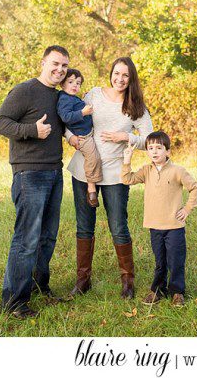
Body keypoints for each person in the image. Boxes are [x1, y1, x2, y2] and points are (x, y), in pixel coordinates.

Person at [0, 45, 70, 319]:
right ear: (43, 62)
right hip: (29, 175)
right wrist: (31, 130)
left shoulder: (59, 96)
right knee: (27, 238)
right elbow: (0, 122)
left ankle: (39, 285)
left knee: (47, 236)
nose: (59, 69)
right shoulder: (24, 90)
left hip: (55, 172)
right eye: (55, 64)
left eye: (64, 66)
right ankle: (14, 302)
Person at [66, 56, 153, 300]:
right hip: (85, 170)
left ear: (131, 78)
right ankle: (83, 280)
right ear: (111, 73)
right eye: (116, 73)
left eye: (125, 75)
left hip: (115, 173)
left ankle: (127, 281)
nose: (120, 79)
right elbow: (69, 117)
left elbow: (149, 139)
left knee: (118, 227)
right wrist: (69, 137)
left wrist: (126, 138)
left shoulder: (135, 106)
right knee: (84, 226)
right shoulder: (93, 94)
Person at [121, 129, 197, 307]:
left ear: (168, 151)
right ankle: (158, 290)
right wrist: (127, 160)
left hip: (174, 226)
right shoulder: (146, 171)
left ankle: (177, 292)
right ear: (147, 151)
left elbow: (194, 187)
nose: (154, 151)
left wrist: (187, 208)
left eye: (159, 147)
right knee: (160, 261)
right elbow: (127, 179)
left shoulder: (177, 171)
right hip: (155, 226)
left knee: (175, 260)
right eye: (150, 148)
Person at [56, 68, 102, 207]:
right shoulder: (64, 98)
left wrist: (83, 101)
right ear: (62, 84)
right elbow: (65, 117)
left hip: (88, 133)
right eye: (70, 82)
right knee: (93, 158)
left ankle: (92, 185)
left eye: (78, 83)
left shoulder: (72, 98)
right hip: (83, 137)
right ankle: (91, 188)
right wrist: (83, 111)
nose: (75, 85)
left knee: (93, 157)